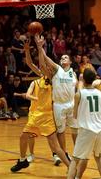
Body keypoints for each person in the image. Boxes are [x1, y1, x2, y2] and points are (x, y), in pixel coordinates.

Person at [10, 76, 70, 173]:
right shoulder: (35, 83)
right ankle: (22, 160)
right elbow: (28, 95)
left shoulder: (53, 84)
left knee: (55, 145)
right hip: (35, 116)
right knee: (23, 137)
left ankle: (69, 166)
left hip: (47, 117)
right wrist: (34, 97)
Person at [34, 35, 78, 164]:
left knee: (75, 129)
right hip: (59, 105)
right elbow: (46, 60)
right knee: (61, 131)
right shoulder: (57, 70)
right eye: (61, 57)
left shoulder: (73, 73)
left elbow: (76, 90)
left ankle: (77, 152)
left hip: (72, 104)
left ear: (69, 62)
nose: (62, 58)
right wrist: (40, 47)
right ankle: (64, 153)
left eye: (65, 57)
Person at [67, 68, 101, 179]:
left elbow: (75, 115)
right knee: (99, 157)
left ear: (83, 79)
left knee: (75, 160)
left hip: (86, 130)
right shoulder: (100, 93)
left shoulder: (79, 94)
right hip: (99, 130)